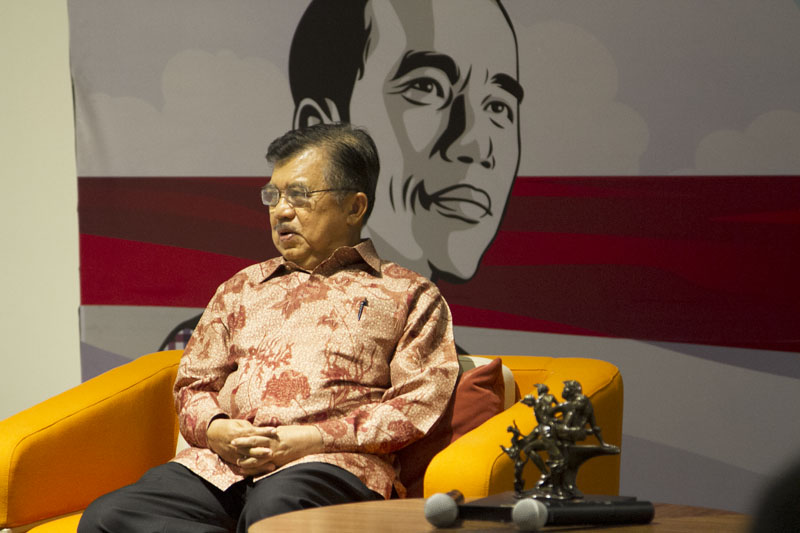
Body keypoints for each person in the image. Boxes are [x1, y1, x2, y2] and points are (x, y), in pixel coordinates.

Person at [79, 123, 460, 533]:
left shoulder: (408, 294)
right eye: (273, 196)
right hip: (223, 467)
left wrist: (311, 439)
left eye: (299, 195)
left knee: (275, 510)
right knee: (107, 519)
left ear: (354, 207)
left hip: (328, 465)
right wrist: (217, 429)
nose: (281, 211)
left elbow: (416, 404)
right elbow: (192, 385)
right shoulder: (241, 288)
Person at [289, 0, 524, 283]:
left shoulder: (423, 306)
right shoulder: (258, 302)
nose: (476, 145)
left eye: (498, 106)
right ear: (318, 135)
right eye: (427, 87)